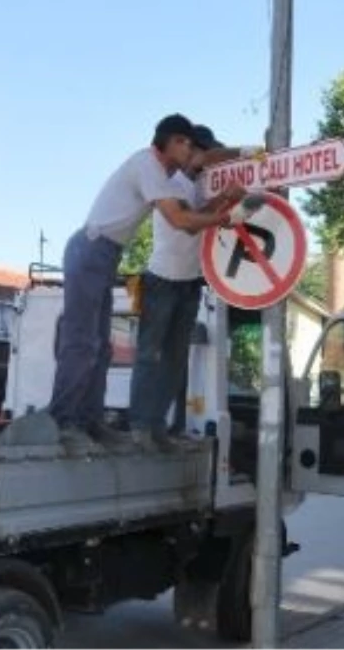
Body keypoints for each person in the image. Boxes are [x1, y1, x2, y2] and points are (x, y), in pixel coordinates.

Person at [48, 114, 243, 452]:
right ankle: (64, 423)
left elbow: (199, 186)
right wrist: (226, 214)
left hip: (105, 255)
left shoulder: (165, 175)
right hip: (91, 249)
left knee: (100, 346)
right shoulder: (148, 165)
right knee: (82, 343)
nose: (189, 152)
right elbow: (182, 220)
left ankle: (89, 422)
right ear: (168, 143)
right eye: (183, 143)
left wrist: (242, 164)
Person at [130, 126, 260, 450]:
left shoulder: (198, 184)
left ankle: (160, 428)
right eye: (203, 155)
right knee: (150, 355)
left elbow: (204, 214)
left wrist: (246, 159)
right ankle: (140, 428)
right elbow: (189, 224)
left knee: (175, 359)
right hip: (161, 280)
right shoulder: (169, 182)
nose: (207, 162)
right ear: (193, 152)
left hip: (189, 284)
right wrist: (227, 196)